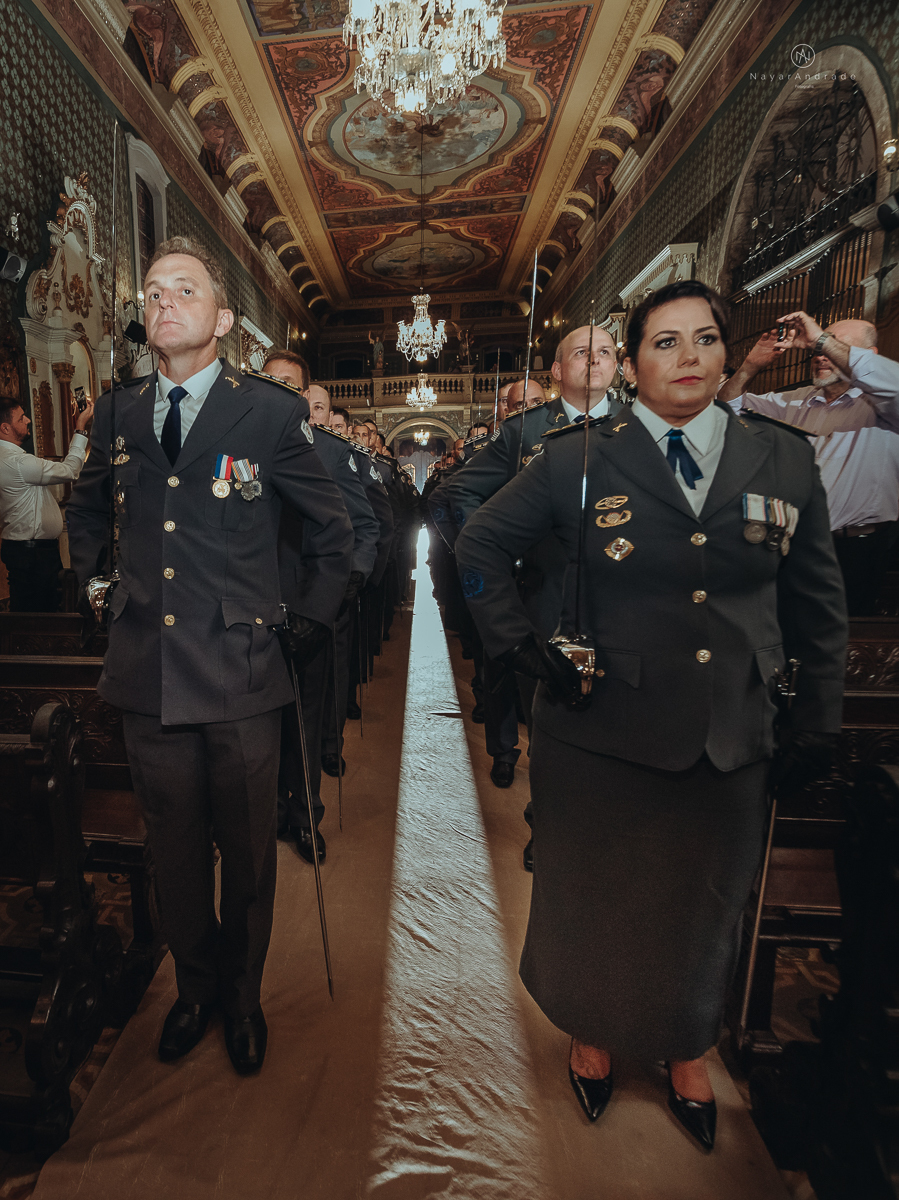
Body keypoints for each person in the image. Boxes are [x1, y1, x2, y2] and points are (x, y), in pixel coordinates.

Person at [455, 280, 847, 1148]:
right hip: (602, 727)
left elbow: (817, 602)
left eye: (704, 339)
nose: (688, 357)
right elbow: (476, 545)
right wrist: (521, 648)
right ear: (631, 366)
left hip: (730, 727)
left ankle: (683, 1046)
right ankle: (592, 1034)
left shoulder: (780, 457)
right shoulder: (576, 455)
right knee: (595, 894)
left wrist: (816, 719)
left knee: (704, 901)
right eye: (664, 342)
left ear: (722, 353)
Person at [66, 237, 354, 1075]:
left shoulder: (267, 412)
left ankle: (241, 995)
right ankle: (194, 990)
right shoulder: (119, 410)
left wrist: (307, 620)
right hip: (147, 675)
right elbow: (86, 512)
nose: (162, 303)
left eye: (183, 291)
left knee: (249, 855)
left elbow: (331, 531)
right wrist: (96, 591)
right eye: (152, 292)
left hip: (239, 672)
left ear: (222, 320)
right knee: (177, 852)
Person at [446, 326, 622, 859]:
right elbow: (458, 495)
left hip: (623, 599)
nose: (595, 361)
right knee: (550, 718)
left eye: (607, 352)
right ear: (556, 372)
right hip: (545, 596)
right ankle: (544, 822)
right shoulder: (526, 434)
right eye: (581, 353)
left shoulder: (641, 427)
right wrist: (505, 549)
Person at [261, 351, 379, 863]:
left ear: (307, 393)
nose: (279, 388)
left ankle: (305, 813)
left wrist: (339, 592)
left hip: (308, 608)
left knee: (305, 723)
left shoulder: (330, 454)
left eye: (289, 382)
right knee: (257, 725)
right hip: (252, 607)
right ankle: (264, 816)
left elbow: (363, 527)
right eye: (270, 380)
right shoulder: (242, 443)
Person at [719, 313, 899, 614]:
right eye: (816, 348)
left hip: (858, 549)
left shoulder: (885, 406)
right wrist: (750, 366)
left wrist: (820, 339)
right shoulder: (797, 401)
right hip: (796, 544)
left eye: (832, 346)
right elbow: (726, 410)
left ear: (868, 358)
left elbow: (890, 381)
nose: (820, 354)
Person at [0, 396, 94, 610]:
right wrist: (80, 428)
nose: (28, 421)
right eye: (21, 418)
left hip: (27, 549)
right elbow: (70, 470)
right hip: (32, 553)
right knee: (41, 615)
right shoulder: (17, 462)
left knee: (33, 611)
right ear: (5, 428)